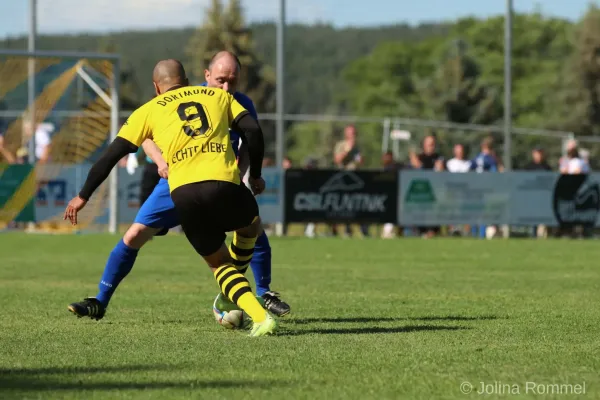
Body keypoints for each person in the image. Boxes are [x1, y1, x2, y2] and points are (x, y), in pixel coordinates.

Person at [66, 52, 290, 322]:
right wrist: (161, 161)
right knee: (134, 235)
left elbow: (247, 143)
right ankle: (100, 300)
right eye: (221, 80)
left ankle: (261, 292)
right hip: (176, 178)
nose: (227, 87)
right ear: (203, 77)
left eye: (233, 81)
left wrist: (241, 175)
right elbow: (146, 136)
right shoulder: (204, 98)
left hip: (207, 178)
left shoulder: (232, 100)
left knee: (253, 230)